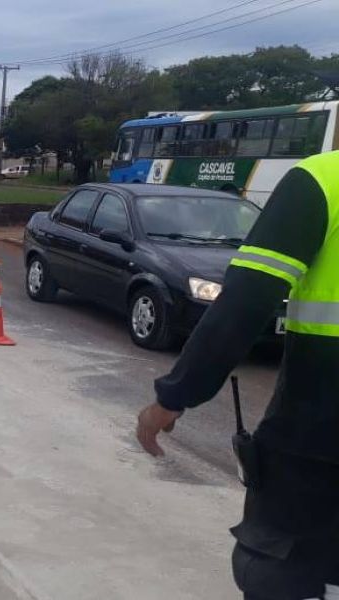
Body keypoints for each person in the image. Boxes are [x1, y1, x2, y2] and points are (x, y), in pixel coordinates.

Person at [136, 150, 339, 599]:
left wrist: (173, 397)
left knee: (284, 574)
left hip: (318, 442)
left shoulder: (323, 180)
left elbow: (245, 304)